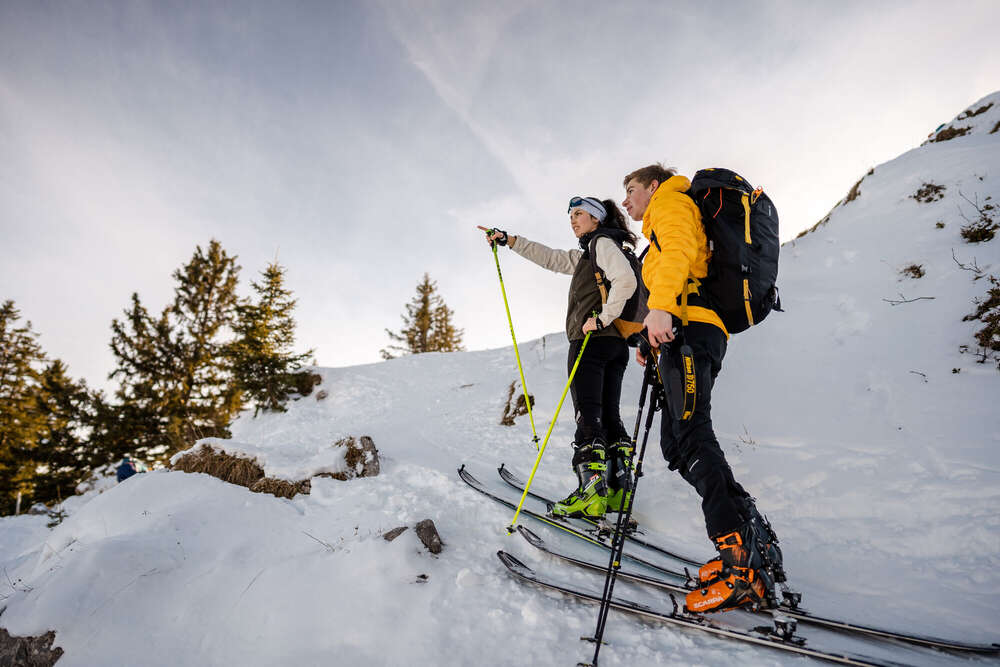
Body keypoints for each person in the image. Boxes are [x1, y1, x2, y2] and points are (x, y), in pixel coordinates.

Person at [621, 164, 785, 613]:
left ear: (652, 186)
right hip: (686, 328)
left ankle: (740, 565)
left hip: (691, 327)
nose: (627, 200)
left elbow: (678, 252)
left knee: (692, 436)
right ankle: (752, 538)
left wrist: (659, 311)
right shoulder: (667, 210)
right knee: (678, 444)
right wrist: (649, 332)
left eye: (631, 190)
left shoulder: (670, 203)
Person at [478, 196, 638, 519]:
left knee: (588, 415)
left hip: (592, 342)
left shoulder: (602, 245)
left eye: (579, 213)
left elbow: (627, 281)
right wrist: (509, 241)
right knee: (608, 416)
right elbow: (549, 258)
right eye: (571, 215)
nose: (573, 220)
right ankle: (617, 490)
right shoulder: (591, 254)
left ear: (596, 218)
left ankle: (591, 493)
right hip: (615, 346)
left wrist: (602, 318)